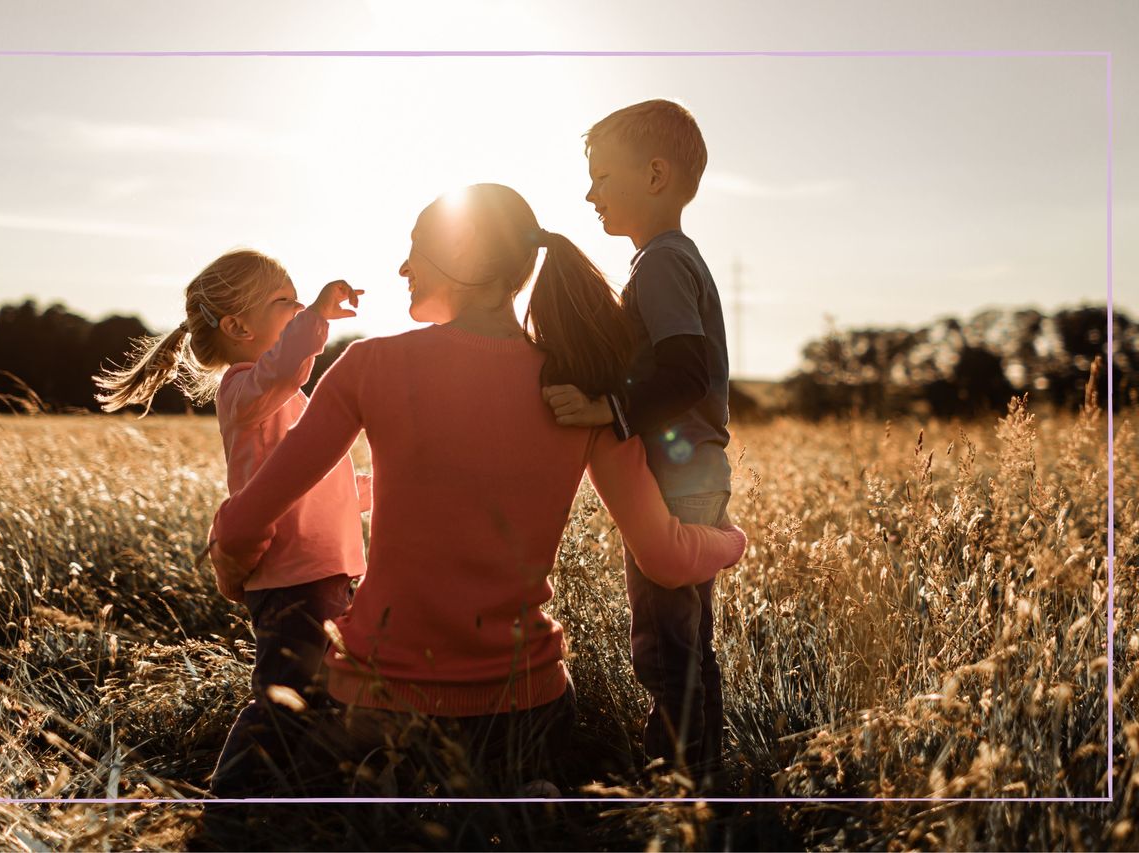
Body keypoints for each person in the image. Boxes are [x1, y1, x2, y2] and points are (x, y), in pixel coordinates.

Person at [208, 184, 747, 795]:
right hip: (525, 715)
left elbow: (243, 520)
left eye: (415, 250)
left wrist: (232, 564)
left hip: (375, 714)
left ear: (461, 256)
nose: (404, 268)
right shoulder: (582, 396)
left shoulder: (367, 366)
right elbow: (668, 559)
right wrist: (731, 540)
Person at [92, 248, 369, 796]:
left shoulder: (281, 399)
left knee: (325, 697)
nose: (295, 310)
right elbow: (284, 369)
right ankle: (230, 810)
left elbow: (321, 481)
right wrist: (316, 314)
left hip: (325, 573)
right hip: (293, 579)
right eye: (284, 302)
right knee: (282, 702)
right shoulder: (245, 392)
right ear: (238, 326)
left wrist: (383, 489)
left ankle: (304, 802)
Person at [542, 99, 734, 781]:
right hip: (699, 471)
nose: (589, 193)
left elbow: (687, 371)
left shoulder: (658, 265)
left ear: (655, 175)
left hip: (677, 478)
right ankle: (702, 774)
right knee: (688, 637)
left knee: (665, 642)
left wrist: (606, 407)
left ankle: (677, 783)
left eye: (601, 177)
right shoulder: (675, 258)